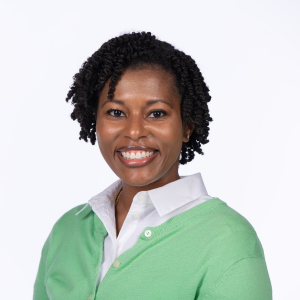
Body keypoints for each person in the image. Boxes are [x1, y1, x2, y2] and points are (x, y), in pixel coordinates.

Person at [33, 32, 272, 300]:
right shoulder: (68, 230)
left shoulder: (227, 242)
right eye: (116, 112)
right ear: (94, 121)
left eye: (156, 113)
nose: (134, 131)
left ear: (187, 126)